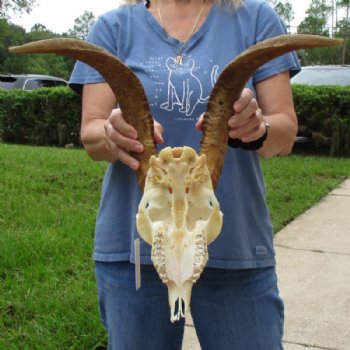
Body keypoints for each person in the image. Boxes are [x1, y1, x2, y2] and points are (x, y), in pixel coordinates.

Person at [69, 0, 300, 348]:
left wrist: (259, 126)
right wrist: (110, 134)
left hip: (235, 248)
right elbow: (91, 133)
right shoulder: (113, 28)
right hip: (137, 251)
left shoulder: (255, 20)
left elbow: (284, 133)